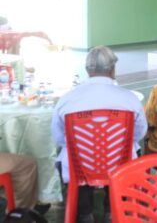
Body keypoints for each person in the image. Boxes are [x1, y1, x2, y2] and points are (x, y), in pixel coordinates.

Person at [51, 46, 147, 223]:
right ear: (113, 70)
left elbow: (58, 138)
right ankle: (113, 208)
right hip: (119, 165)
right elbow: (140, 133)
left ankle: (84, 212)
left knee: (69, 156)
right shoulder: (130, 99)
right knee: (131, 152)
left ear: (87, 71)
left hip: (79, 166)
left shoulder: (67, 99)